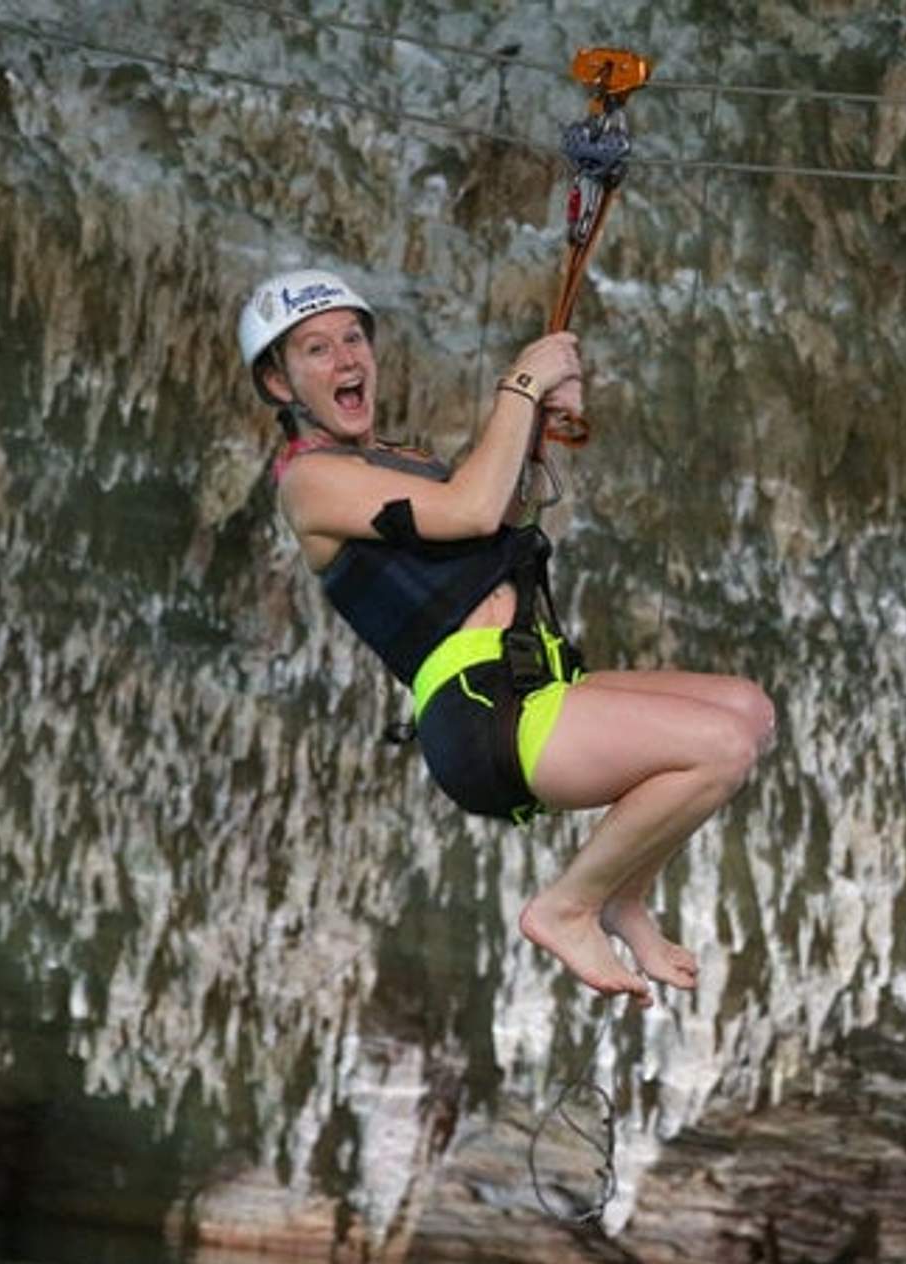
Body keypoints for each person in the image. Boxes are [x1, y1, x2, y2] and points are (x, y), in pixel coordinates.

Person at [236, 268, 773, 1008]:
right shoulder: (309, 482)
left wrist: (537, 427)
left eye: (354, 338)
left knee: (748, 709)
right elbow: (471, 510)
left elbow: (499, 515)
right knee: (721, 748)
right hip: (482, 715)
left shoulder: (400, 462)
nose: (346, 359)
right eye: (316, 350)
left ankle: (624, 897)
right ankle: (568, 904)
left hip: (532, 677)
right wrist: (521, 384)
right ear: (278, 383)